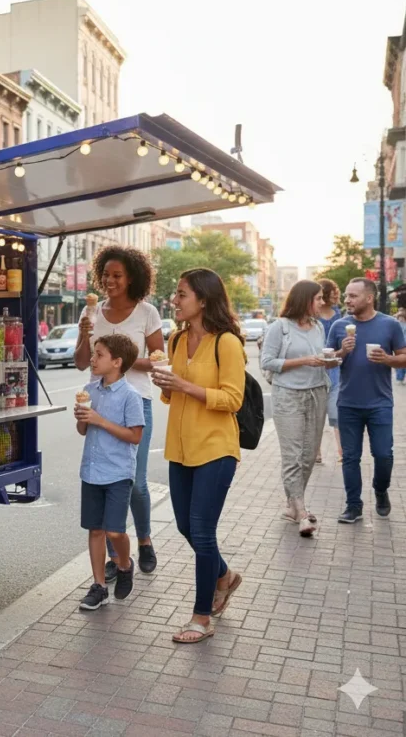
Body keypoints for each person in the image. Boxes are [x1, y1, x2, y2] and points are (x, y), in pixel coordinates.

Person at [150, 269, 245, 644]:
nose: (175, 300)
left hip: (216, 448)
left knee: (203, 532)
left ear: (203, 300)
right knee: (186, 527)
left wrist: (186, 385)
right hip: (181, 448)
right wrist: (167, 384)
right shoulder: (176, 339)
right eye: (176, 294)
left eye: (182, 294)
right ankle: (225, 576)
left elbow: (233, 399)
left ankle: (200, 617)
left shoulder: (227, 343)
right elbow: (174, 397)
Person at [75, 246, 164, 578]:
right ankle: (114, 556)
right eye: (106, 275)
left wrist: (119, 360)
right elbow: (83, 362)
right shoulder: (93, 313)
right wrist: (85, 337)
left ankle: (144, 540)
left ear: (132, 278)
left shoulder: (147, 313)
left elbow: (159, 360)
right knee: (102, 480)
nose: (109, 281)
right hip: (97, 403)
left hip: (135, 401)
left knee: (135, 483)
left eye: (117, 276)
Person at [259, 281, 338, 537]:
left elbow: (320, 361)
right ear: (304, 299)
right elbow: (268, 362)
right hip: (288, 396)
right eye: (317, 299)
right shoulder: (279, 328)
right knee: (293, 456)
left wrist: (334, 358)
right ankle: (302, 512)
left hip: (317, 392)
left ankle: (292, 506)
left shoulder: (316, 327)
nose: (321, 303)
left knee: (307, 456)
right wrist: (305, 360)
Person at [74, 334, 145, 611]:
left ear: (117, 362)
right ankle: (99, 586)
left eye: (99, 354)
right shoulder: (89, 390)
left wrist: (100, 420)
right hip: (91, 470)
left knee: (115, 532)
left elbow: (135, 436)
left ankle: (125, 565)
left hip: (117, 472)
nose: (92, 359)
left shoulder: (131, 396)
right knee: (95, 530)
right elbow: (82, 430)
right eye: (94, 353)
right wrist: (82, 418)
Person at [327, 278, 406, 523]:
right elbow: (328, 362)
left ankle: (381, 491)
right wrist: (342, 351)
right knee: (350, 457)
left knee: (383, 454)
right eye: (347, 295)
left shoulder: (390, 325)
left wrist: (387, 359)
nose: (347, 300)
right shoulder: (340, 326)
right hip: (348, 402)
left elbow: (403, 357)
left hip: (380, 403)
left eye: (353, 296)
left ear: (369, 298)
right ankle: (354, 506)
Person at [316, 279, 343, 462]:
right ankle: (315, 452)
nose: (336, 294)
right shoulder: (313, 314)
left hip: (335, 367)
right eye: (333, 290)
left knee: (337, 410)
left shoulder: (338, 314)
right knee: (317, 412)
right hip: (316, 365)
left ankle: (342, 451)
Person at [396, 310, 406, 385]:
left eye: (402, 317)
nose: (400, 319)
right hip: (400, 346)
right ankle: (400, 378)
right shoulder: (396, 325)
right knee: (400, 362)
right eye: (399, 317)